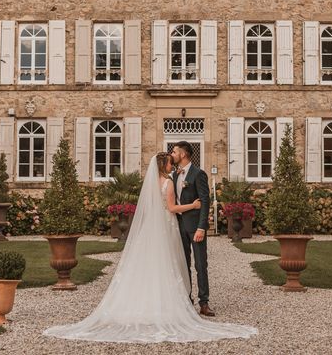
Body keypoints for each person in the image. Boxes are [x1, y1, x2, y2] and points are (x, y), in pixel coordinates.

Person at [42, 152, 256, 343]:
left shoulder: (155, 181)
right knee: (168, 263)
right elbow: (171, 207)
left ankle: (153, 302)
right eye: (171, 163)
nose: (174, 165)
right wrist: (194, 205)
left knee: (152, 263)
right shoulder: (169, 182)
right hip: (168, 225)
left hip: (155, 227)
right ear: (165, 166)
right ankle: (171, 304)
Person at [169, 140, 213, 316]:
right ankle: (187, 299)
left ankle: (204, 302)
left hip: (195, 227)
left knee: (200, 264)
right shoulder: (173, 176)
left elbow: (204, 201)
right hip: (178, 226)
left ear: (184, 154)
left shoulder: (198, 174)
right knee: (183, 264)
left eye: (174, 152)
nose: (172, 155)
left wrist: (202, 227)